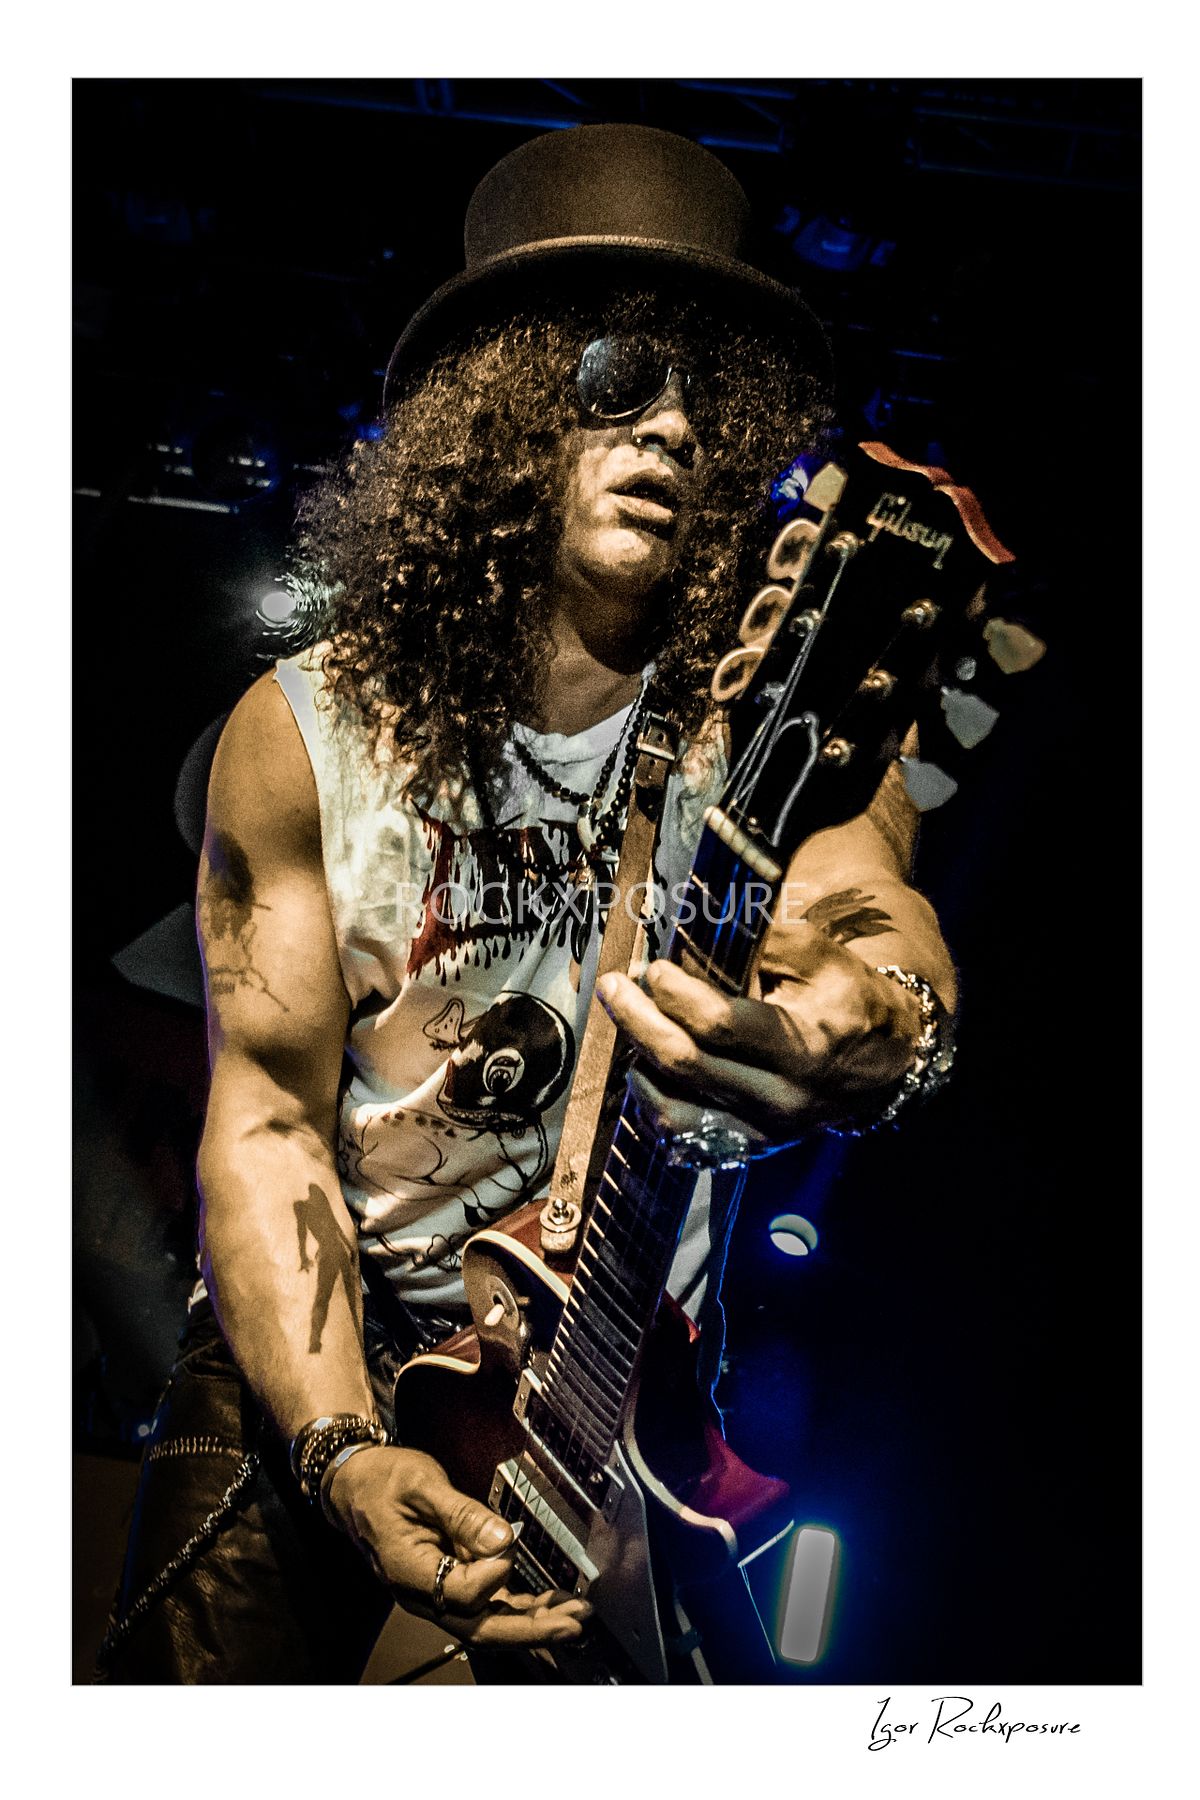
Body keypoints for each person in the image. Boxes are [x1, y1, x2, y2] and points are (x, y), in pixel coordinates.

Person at [101, 123, 957, 1685]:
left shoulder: (769, 724)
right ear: (502, 411)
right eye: (623, 378)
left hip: (611, 1372)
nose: (681, 429)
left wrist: (854, 1037)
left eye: (715, 396)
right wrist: (345, 1449)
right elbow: (270, 1115)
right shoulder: (302, 733)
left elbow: (869, 929)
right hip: (338, 1320)